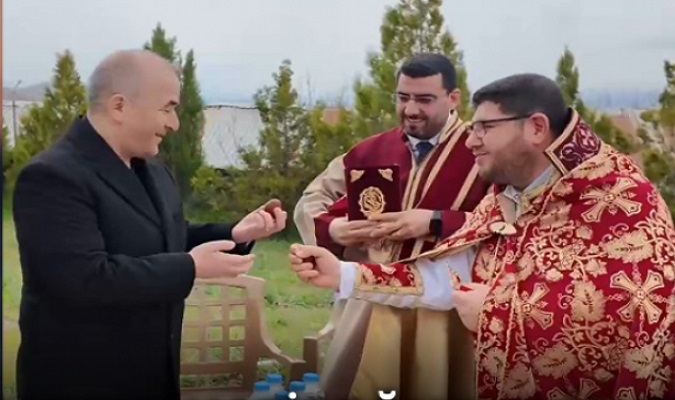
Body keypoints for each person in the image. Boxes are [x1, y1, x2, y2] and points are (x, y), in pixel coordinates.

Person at [290, 73, 675, 400]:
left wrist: (495, 314)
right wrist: (343, 274)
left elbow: (640, 317)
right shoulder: (506, 195)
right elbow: (453, 274)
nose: (471, 141)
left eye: (485, 128)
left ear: (536, 127)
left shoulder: (621, 199)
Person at [12, 49, 288, 400]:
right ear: (119, 106)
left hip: (152, 376)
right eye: (167, 108)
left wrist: (235, 233)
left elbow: (166, 237)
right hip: (82, 380)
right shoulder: (52, 177)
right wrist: (190, 267)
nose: (174, 124)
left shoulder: (154, 172)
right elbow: (82, 279)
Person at [293, 53, 490, 400]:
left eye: (425, 99)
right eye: (403, 97)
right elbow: (312, 200)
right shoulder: (373, 149)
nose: (411, 109)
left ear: (453, 98)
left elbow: (512, 219)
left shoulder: (481, 152)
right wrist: (333, 230)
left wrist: (435, 221)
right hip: (372, 302)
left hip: (449, 308)